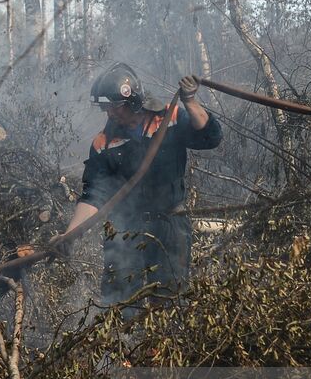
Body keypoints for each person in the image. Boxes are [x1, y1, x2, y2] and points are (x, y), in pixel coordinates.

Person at [53, 62, 222, 307]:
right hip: (124, 230)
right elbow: (93, 196)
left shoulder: (170, 118)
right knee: (118, 302)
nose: (109, 113)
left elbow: (211, 136)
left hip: (170, 225)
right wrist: (69, 235)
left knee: (170, 301)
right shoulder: (103, 143)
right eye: (105, 108)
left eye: (114, 107)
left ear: (133, 100)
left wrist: (190, 101)